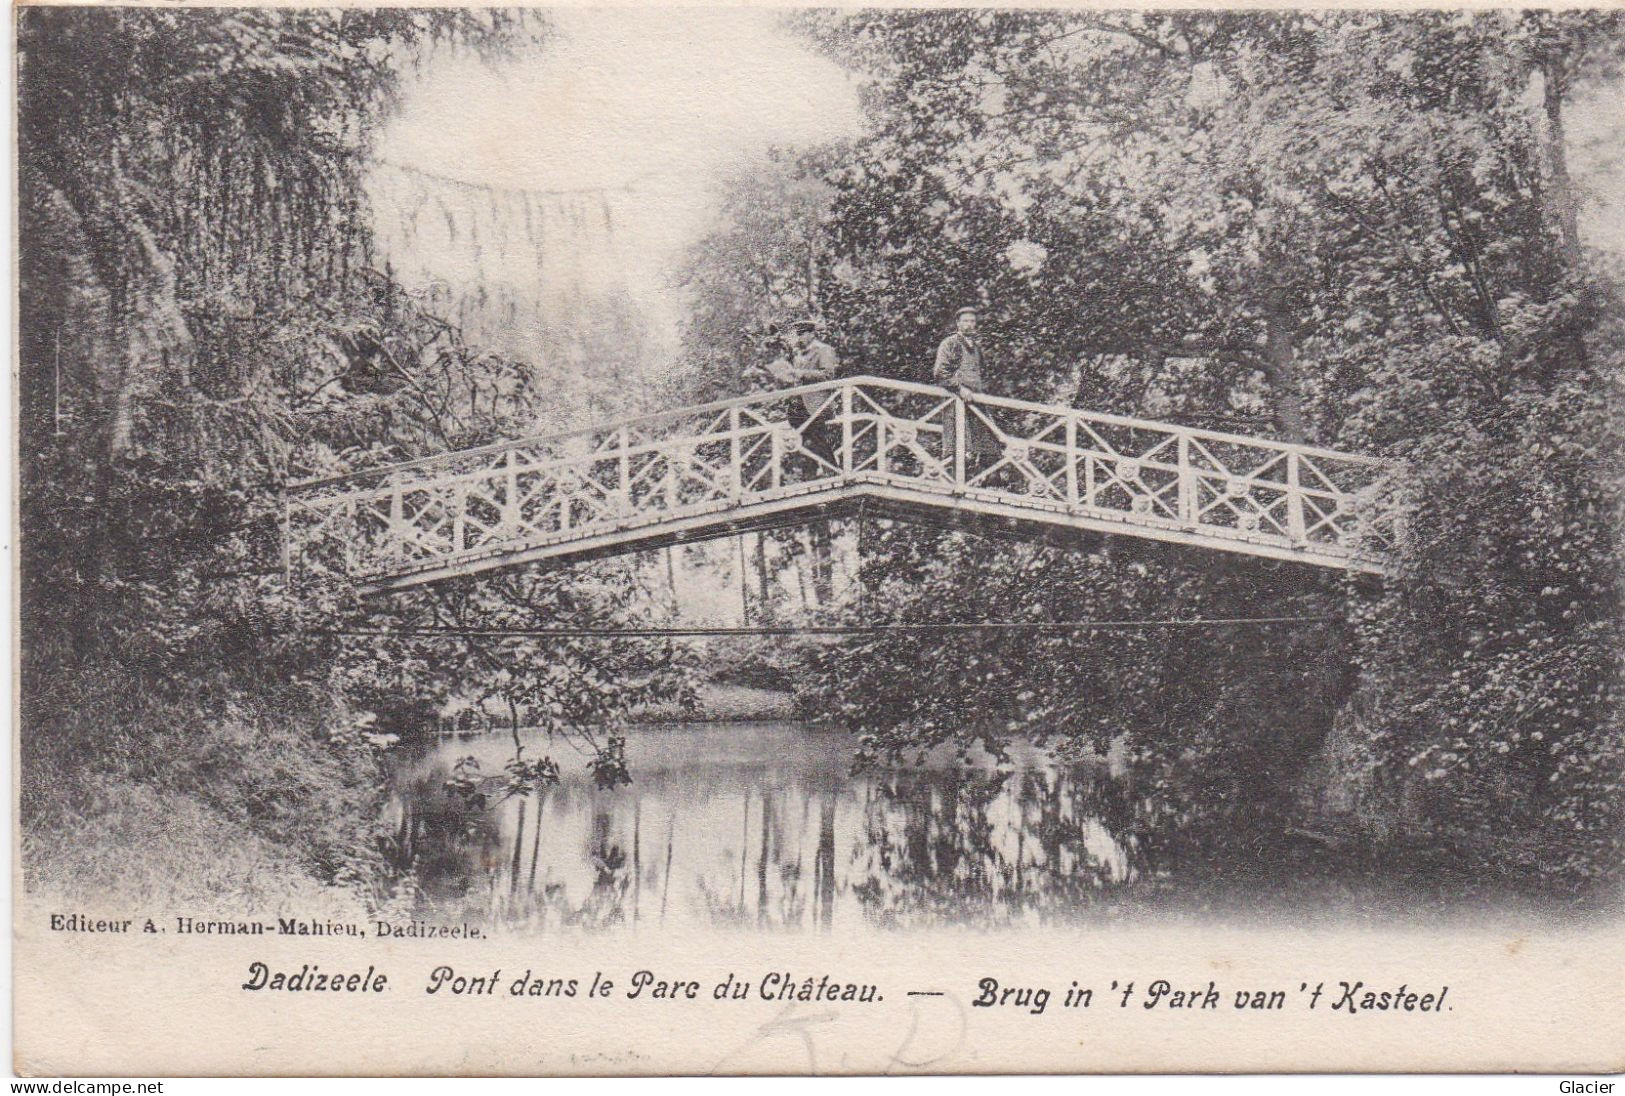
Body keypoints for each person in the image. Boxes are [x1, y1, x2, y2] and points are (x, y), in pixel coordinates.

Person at [932, 306, 998, 471]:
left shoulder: (976, 347)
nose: (969, 324)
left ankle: (987, 482)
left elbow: (982, 374)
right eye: (966, 321)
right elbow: (941, 372)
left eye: (972, 321)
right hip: (957, 400)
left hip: (976, 400)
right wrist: (960, 389)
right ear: (958, 323)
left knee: (987, 442)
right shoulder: (950, 343)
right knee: (959, 446)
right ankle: (954, 482)